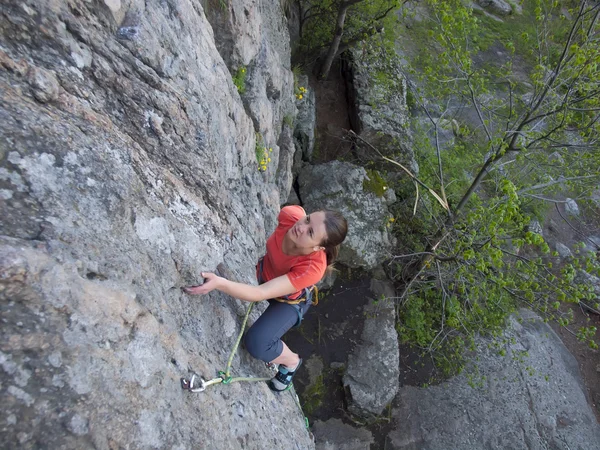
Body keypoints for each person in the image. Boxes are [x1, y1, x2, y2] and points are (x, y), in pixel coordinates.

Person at [183, 205, 348, 391]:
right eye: (308, 219)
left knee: (256, 343)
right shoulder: (290, 216)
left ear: (318, 247)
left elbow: (260, 293)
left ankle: (291, 361)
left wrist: (219, 283)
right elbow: (297, 211)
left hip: (289, 302)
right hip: (266, 276)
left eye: (310, 232)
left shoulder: (312, 268)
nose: (301, 227)